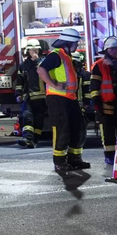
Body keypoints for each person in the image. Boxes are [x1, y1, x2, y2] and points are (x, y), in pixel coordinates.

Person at [37, 28, 91, 173]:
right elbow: (41, 70)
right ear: (69, 42)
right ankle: (60, 161)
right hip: (58, 99)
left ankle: (75, 159)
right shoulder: (56, 55)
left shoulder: (66, 56)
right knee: (62, 129)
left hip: (69, 98)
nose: (77, 45)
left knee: (79, 127)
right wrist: (54, 84)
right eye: (76, 42)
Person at [90, 36, 117, 165]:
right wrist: (97, 103)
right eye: (112, 49)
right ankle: (109, 156)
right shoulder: (99, 66)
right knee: (108, 134)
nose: (115, 51)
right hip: (105, 106)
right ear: (106, 50)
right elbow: (94, 86)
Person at [15, 39, 48, 148]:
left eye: (36, 50)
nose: (34, 52)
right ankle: (27, 138)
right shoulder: (23, 65)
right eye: (31, 50)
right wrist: (18, 94)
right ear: (27, 51)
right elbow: (20, 82)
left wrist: (37, 61)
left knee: (38, 120)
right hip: (28, 97)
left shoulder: (44, 62)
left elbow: (47, 75)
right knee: (27, 116)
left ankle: (34, 141)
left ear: (39, 50)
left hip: (42, 97)